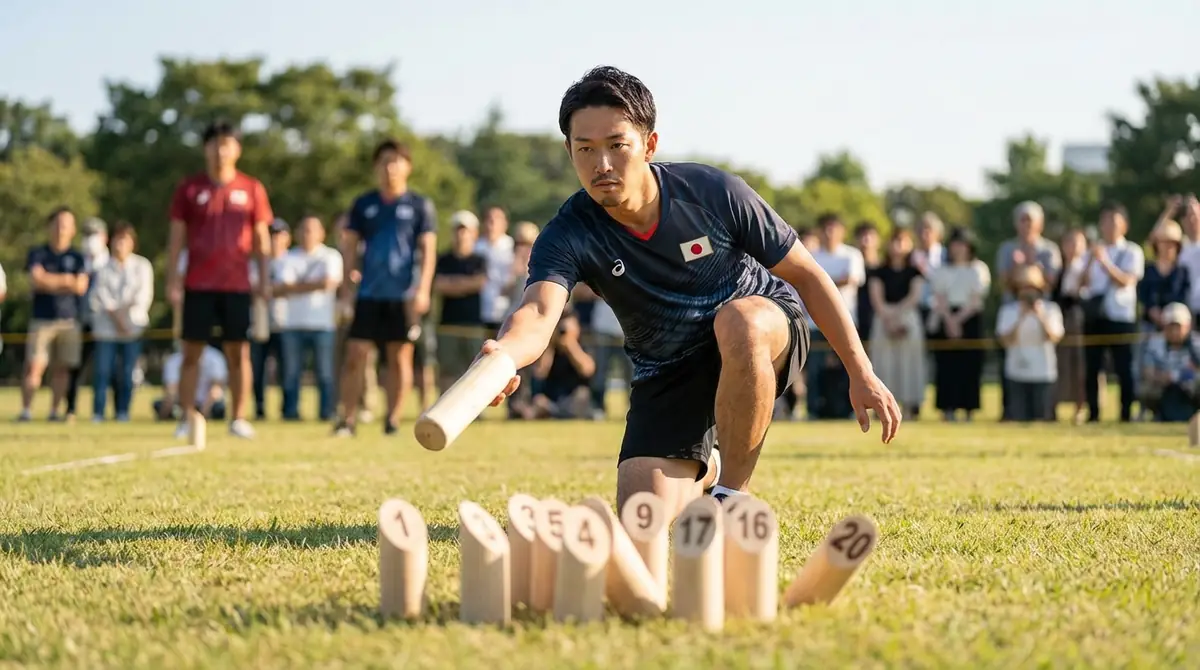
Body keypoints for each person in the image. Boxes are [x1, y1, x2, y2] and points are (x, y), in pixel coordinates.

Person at [473, 66, 900, 517]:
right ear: (569, 150)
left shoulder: (714, 193)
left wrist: (861, 370)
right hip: (667, 367)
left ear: (649, 145)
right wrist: (503, 356)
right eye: (585, 149)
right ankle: (709, 465)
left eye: (617, 146)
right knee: (643, 513)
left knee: (738, 321)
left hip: (764, 327)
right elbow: (538, 312)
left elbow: (810, 276)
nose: (601, 165)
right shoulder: (568, 232)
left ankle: (731, 497)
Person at [165, 120, 274, 439]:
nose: (220, 150)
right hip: (197, 285)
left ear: (238, 149)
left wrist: (264, 278)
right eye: (214, 143)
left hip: (238, 285)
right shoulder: (189, 189)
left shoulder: (252, 188)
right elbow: (176, 239)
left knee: (239, 353)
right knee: (191, 353)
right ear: (205, 148)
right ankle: (187, 417)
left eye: (227, 143)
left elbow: (261, 239)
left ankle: (238, 418)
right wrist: (172, 280)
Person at [335, 139, 437, 436]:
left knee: (399, 357)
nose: (390, 167)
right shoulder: (363, 204)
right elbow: (350, 247)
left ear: (408, 167)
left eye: (396, 161)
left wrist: (422, 290)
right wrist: (346, 288)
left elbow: (428, 251)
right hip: (368, 293)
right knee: (355, 354)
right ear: (375, 167)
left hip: (403, 295)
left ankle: (391, 420)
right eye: (384, 161)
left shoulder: (419, 206)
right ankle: (347, 420)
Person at [20, 207, 88, 422]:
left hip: (69, 321)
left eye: (66, 224)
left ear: (73, 229)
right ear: (49, 227)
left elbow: (80, 286)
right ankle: (26, 411)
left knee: (62, 370)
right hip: (42, 318)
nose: (61, 229)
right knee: (34, 366)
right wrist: (66, 280)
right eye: (57, 224)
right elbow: (36, 280)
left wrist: (51, 281)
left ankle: (53, 412)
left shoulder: (78, 257)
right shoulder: (38, 253)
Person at [1080, 202, 1144, 423]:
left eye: (1113, 222)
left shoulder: (1132, 251)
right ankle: (1093, 412)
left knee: (1123, 368)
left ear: (1124, 225)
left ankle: (1126, 413)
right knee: (1092, 367)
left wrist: (1104, 262)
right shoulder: (1092, 252)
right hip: (1095, 316)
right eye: (1105, 221)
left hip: (1120, 316)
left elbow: (1126, 280)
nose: (1109, 227)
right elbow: (1082, 282)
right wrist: (1090, 260)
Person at [276, 215, 343, 421]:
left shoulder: (331, 256)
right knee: (291, 374)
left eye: (312, 230)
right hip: (292, 324)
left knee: (325, 373)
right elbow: (280, 288)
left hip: (323, 324)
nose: (308, 234)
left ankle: (326, 412)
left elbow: (329, 283)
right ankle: (290, 412)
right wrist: (315, 284)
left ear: (322, 233)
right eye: (304, 229)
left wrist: (296, 287)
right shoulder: (287, 258)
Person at [89, 222, 154, 422]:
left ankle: (123, 412)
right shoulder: (102, 268)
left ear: (133, 243)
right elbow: (99, 297)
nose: (120, 244)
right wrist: (116, 318)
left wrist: (123, 317)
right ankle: (98, 413)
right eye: (117, 239)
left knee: (127, 374)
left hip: (132, 329)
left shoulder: (142, 266)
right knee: (102, 372)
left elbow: (142, 296)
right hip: (106, 329)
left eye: (125, 240)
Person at [926, 227, 989, 422]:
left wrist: (959, 319)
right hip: (947, 317)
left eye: (962, 244)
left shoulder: (978, 269)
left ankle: (969, 408)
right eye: (955, 244)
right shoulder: (942, 270)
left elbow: (977, 299)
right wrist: (950, 320)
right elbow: (939, 297)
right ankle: (947, 407)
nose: (959, 249)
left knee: (969, 366)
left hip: (970, 318)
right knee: (947, 366)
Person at [867, 228, 927, 419]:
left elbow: (914, 297)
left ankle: (910, 407)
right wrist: (888, 318)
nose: (898, 246)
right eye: (895, 241)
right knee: (883, 364)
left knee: (910, 364)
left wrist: (898, 315)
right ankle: (881, 407)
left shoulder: (915, 272)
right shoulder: (878, 271)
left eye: (903, 241)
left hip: (908, 317)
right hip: (883, 319)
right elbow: (876, 298)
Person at [996, 265, 1065, 422]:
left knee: (1043, 418)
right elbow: (1005, 340)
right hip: (1016, 372)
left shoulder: (1051, 309)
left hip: (1043, 373)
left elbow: (1054, 337)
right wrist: (1021, 317)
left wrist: (1040, 316)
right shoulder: (1009, 310)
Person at [432, 211, 488, 394]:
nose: (461, 234)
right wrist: (465, 284)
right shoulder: (442, 259)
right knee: (447, 371)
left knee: (475, 371)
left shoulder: (480, 260)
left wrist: (453, 284)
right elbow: (439, 286)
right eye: (458, 230)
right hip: (447, 325)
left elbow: (479, 283)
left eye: (465, 230)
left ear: (474, 233)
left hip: (473, 325)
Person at [64, 217, 110, 421]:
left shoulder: (110, 262)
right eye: (87, 234)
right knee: (75, 367)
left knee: (107, 368)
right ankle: (71, 409)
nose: (90, 239)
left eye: (94, 234)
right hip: (80, 321)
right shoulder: (77, 260)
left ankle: (108, 411)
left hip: (107, 323)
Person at [251, 218, 291, 420]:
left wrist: (268, 288)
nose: (274, 240)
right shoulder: (253, 263)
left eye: (278, 235)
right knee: (257, 371)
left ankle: (288, 409)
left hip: (286, 324)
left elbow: (294, 287)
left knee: (287, 370)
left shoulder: (292, 260)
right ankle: (259, 408)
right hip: (259, 324)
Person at [1139, 302, 1200, 422]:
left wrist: (1185, 376)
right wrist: (1161, 377)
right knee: (1146, 389)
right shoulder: (1155, 344)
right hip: (1164, 386)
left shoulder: (1197, 344)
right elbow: (1148, 371)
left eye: (1178, 326)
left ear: (1187, 326)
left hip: (1192, 387)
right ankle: (1156, 414)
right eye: (1170, 326)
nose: (1174, 331)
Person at [154, 343, 229, 421]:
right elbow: (171, 389)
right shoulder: (174, 359)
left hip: (207, 402)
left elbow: (217, 388)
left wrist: (204, 410)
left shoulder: (215, 357)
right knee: (159, 404)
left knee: (218, 407)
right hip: (181, 403)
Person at [477, 206, 516, 333]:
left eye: (497, 219)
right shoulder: (476, 247)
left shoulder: (512, 247)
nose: (492, 223)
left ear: (505, 224)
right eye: (489, 219)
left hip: (506, 309)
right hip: (480, 309)